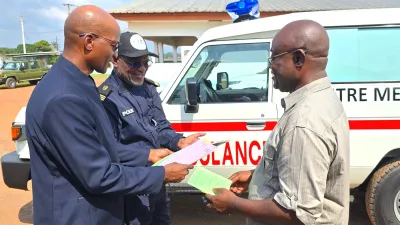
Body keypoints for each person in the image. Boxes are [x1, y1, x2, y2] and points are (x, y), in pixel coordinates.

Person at [25, 5, 193, 225]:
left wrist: (148, 156)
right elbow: (98, 175)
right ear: (89, 42)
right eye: (113, 46)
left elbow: (100, 148)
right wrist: (160, 174)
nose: (114, 54)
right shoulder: (64, 97)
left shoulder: (79, 83)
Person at [204, 20, 350, 225]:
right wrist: (257, 176)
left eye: (274, 58)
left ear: (298, 58)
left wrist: (233, 203)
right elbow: (301, 172)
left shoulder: (304, 122)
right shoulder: (322, 98)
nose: (270, 66)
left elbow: (296, 212)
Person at [98, 31, 206, 225]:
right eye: (134, 63)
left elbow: (161, 127)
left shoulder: (148, 89)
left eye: (145, 62)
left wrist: (179, 141)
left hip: (158, 184)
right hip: (132, 188)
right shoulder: (107, 100)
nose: (141, 69)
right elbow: (107, 151)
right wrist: (148, 155)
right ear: (115, 60)